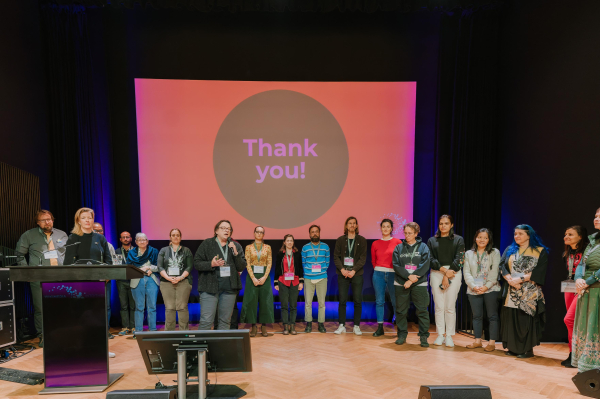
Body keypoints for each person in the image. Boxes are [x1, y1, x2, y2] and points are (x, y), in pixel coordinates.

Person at [63, 208, 115, 358]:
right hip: (80, 285)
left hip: (99, 283)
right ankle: (81, 348)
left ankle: (101, 349)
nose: (87, 220)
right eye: (84, 218)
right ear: (78, 220)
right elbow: (68, 263)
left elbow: (108, 262)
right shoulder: (73, 238)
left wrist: (105, 278)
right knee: (81, 316)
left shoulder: (100, 239)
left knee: (99, 317)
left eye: (90, 218)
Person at [15, 210, 68, 347]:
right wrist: (27, 274)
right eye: (43, 220)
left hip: (60, 277)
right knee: (41, 309)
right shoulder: (29, 235)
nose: (47, 222)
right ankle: (43, 336)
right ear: (38, 222)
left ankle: (60, 333)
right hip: (39, 278)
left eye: (49, 219)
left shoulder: (62, 234)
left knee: (60, 307)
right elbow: (19, 254)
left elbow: (68, 255)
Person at [500, 224, 549, 358]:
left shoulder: (540, 251)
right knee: (512, 319)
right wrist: (510, 279)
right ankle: (513, 348)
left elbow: (539, 272)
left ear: (529, 235)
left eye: (520, 234)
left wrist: (520, 279)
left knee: (525, 320)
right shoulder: (510, 249)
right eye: (515, 234)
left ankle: (527, 349)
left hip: (529, 293)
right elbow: (502, 266)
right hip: (512, 290)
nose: (517, 236)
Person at [194, 220, 246, 330]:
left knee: (225, 321)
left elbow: (241, 267)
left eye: (229, 228)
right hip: (209, 288)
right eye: (223, 228)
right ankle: (202, 346)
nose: (226, 230)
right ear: (216, 230)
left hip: (229, 289)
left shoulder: (235, 246)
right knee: (206, 320)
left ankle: (221, 346)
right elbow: (197, 263)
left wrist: (236, 254)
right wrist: (211, 264)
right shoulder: (207, 243)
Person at [427, 214, 465, 348]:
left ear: (452, 225)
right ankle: (440, 334)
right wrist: (443, 271)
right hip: (437, 272)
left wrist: (447, 275)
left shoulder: (458, 239)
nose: (443, 226)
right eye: (441, 223)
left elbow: (460, 259)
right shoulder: (432, 240)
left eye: (446, 223)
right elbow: (430, 259)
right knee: (439, 306)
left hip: (453, 273)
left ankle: (449, 335)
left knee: (449, 306)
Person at [392, 222, 431, 347]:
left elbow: (425, 264)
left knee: (422, 310)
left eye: (410, 233)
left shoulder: (423, 247)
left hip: (419, 283)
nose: (407, 236)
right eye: (405, 233)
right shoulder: (399, 248)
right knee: (401, 311)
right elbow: (396, 265)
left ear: (416, 233)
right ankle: (402, 335)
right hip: (401, 282)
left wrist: (412, 279)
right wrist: (408, 277)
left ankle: (423, 336)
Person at [463, 228, 501, 351]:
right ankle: (477, 341)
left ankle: (491, 342)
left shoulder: (494, 252)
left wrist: (485, 287)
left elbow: (494, 272)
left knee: (492, 316)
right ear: (475, 238)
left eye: (485, 237)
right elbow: (466, 272)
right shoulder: (469, 253)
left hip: (491, 288)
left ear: (489, 239)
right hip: (473, 288)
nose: (482, 240)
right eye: (480, 237)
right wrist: (474, 286)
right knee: (476, 316)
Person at [572, 208, 600, 373]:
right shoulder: (592, 241)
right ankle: (585, 366)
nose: (596, 218)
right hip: (586, 291)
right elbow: (582, 263)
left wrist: (587, 281)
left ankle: (594, 366)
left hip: (597, 291)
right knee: (586, 328)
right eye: (596, 216)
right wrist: (579, 279)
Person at [333, 217, 367, 335]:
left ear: (356, 226)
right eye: (350, 223)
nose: (352, 225)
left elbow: (363, 258)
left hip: (356, 274)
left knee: (357, 300)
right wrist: (342, 269)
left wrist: (354, 270)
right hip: (343, 274)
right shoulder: (340, 240)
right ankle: (341, 325)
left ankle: (356, 326)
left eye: (354, 223)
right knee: (342, 300)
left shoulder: (362, 240)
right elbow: (336, 257)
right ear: (346, 226)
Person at [560, 226, 588, 368]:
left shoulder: (587, 252)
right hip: (569, 288)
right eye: (565, 234)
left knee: (570, 320)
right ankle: (572, 353)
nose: (566, 236)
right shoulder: (568, 253)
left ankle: (579, 353)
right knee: (571, 322)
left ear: (581, 237)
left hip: (582, 288)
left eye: (571, 234)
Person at [241, 226, 274, 337]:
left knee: (265, 301)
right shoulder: (248, 247)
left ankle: (264, 326)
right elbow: (247, 262)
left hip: (264, 275)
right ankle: (253, 326)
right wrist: (253, 278)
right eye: (257, 232)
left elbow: (269, 263)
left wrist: (264, 277)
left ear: (263, 234)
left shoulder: (268, 247)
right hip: (252, 277)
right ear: (254, 233)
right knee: (252, 301)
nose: (259, 234)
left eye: (261, 232)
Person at [371, 219, 402, 336]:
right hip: (378, 274)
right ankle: (380, 328)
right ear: (380, 228)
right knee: (379, 301)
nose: (385, 229)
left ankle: (399, 328)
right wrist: (379, 270)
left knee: (395, 301)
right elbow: (373, 261)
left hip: (393, 274)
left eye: (388, 226)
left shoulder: (397, 242)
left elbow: (400, 260)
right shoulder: (375, 243)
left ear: (391, 228)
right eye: (383, 226)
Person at [157, 229, 193, 331]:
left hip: (183, 281)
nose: (175, 237)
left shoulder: (186, 250)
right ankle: (169, 333)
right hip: (166, 282)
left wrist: (180, 277)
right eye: (173, 235)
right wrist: (168, 277)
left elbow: (189, 267)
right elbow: (160, 267)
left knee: (182, 307)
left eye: (177, 235)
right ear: (170, 237)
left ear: (181, 237)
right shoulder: (164, 250)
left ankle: (184, 333)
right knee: (169, 308)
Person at [127, 233, 159, 335]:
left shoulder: (154, 251)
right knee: (139, 307)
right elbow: (128, 268)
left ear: (147, 241)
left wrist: (150, 268)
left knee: (152, 306)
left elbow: (159, 266)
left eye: (144, 240)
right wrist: (140, 270)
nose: (142, 241)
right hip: (137, 280)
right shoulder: (131, 253)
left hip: (151, 279)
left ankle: (152, 330)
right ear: (136, 242)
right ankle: (139, 331)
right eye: (139, 240)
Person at [302, 225, 330, 333]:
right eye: (312, 232)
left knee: (321, 303)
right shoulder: (305, 248)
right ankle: (308, 324)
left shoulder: (325, 247)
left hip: (322, 278)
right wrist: (309, 272)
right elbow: (303, 263)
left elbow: (327, 263)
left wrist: (321, 271)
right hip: (308, 278)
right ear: (309, 234)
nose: (314, 234)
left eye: (316, 232)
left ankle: (321, 324)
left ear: (319, 233)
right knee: (308, 302)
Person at [274, 234, 304, 335]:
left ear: (293, 242)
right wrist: (276, 282)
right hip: (282, 281)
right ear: (284, 242)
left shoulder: (297, 254)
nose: (289, 242)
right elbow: (277, 268)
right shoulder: (280, 254)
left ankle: (292, 326)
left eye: (291, 241)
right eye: (288, 241)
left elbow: (300, 268)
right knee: (284, 305)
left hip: (294, 281)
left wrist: (301, 282)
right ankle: (285, 326)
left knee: (293, 305)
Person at [92, 222, 117, 339]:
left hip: (105, 281)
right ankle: (93, 330)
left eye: (100, 230)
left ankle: (105, 331)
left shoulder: (109, 245)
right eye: (96, 230)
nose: (98, 232)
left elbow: (111, 262)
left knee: (106, 307)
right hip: (90, 281)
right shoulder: (86, 244)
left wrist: (108, 277)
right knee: (92, 307)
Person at [115, 231, 135, 335]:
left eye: (128, 237)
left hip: (133, 281)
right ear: (120, 239)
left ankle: (133, 326)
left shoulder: (135, 251)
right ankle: (125, 327)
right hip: (121, 281)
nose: (126, 239)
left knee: (133, 305)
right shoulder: (117, 251)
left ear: (131, 238)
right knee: (123, 306)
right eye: (124, 237)